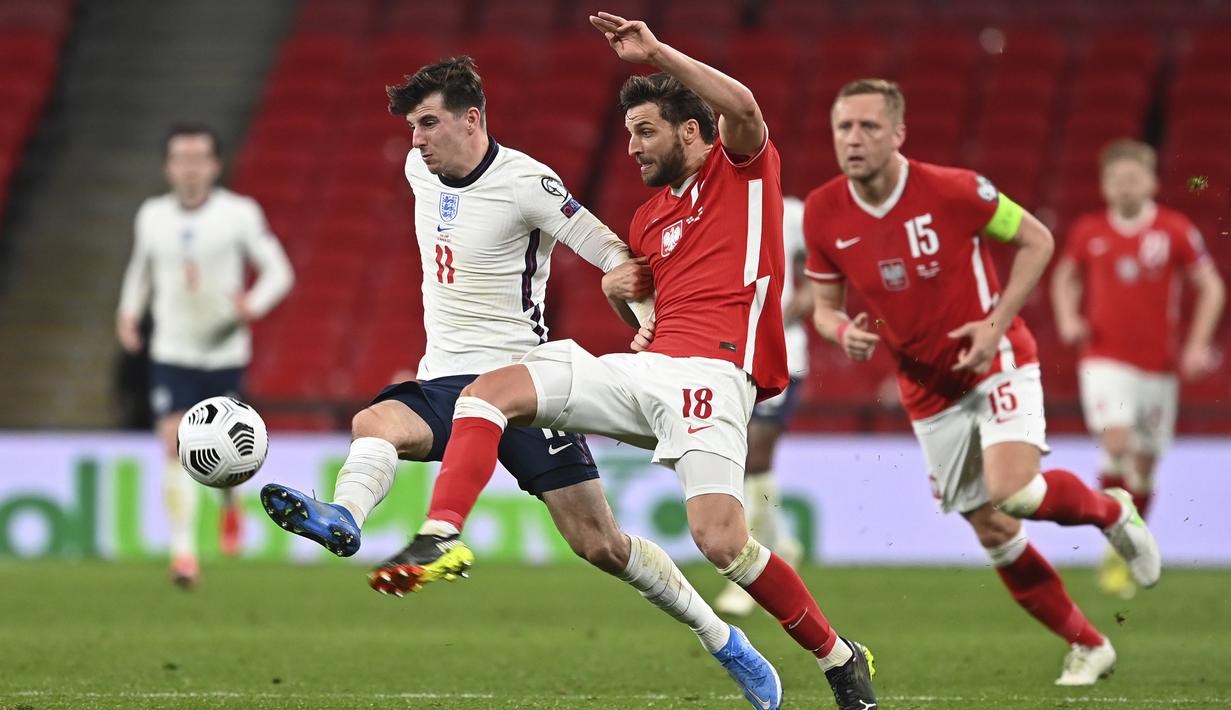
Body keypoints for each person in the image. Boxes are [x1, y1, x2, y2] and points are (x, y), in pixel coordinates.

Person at [369, 18, 879, 710]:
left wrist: (658, 53)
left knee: (722, 541)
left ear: (691, 133)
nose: (632, 148)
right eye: (630, 131)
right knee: (490, 390)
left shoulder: (744, 175)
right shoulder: (646, 222)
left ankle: (838, 656)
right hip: (648, 370)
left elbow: (745, 108)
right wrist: (622, 304)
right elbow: (651, 318)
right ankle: (440, 536)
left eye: (646, 132)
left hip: (714, 378)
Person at [256, 56, 785, 708]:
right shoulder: (416, 168)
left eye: (428, 123)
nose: (415, 138)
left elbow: (616, 256)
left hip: (526, 381)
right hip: (448, 379)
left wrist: (643, 320)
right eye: (412, 126)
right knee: (375, 424)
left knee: (602, 545)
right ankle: (344, 517)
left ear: (471, 119)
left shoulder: (528, 182)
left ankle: (722, 640)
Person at [804, 79, 1162, 687]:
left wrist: (996, 325)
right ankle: (1089, 644)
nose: (854, 139)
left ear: (898, 135)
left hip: (996, 358)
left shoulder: (955, 189)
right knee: (994, 527)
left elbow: (1037, 239)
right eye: (844, 127)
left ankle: (1111, 510)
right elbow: (823, 307)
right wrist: (842, 333)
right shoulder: (823, 211)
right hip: (924, 389)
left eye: (868, 126)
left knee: (1014, 492)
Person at [116, 123, 294, 588]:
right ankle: (183, 554)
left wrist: (250, 306)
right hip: (172, 349)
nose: (190, 169)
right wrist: (128, 312)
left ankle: (231, 503)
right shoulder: (152, 215)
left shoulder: (239, 214)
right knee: (174, 442)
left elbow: (279, 272)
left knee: (226, 451)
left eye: (199, 159)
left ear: (215, 166)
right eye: (181, 159)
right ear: (168, 167)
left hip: (223, 351)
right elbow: (141, 267)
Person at [1051, 139, 1225, 598]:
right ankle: (1115, 540)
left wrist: (1197, 344)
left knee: (1143, 467)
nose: (1125, 187)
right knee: (1117, 441)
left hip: (1158, 367)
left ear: (1152, 181)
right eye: (1116, 179)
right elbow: (1065, 277)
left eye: (1134, 178)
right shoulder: (1089, 231)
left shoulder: (1174, 230)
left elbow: (1211, 287)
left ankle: (1125, 547)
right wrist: (1069, 318)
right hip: (1104, 358)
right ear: (1105, 185)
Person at [714, 195, 809, 617]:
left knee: (755, 454)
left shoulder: (794, 213)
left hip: (783, 353)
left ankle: (750, 571)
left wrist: (790, 310)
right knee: (740, 457)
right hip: (729, 354)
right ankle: (781, 544)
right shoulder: (718, 206)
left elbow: (822, 280)